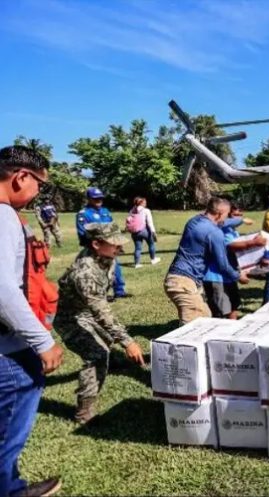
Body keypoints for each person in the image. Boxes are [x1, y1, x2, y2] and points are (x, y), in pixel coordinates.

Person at [0, 145, 63, 497]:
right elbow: (2, 288)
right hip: (7, 353)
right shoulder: (3, 216)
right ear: (21, 177)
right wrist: (42, 342)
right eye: (41, 184)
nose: (40, 193)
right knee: (7, 433)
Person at [55, 222, 145, 424]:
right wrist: (128, 342)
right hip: (70, 319)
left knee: (104, 340)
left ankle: (112, 361)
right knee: (96, 355)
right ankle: (84, 412)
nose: (120, 248)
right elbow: (101, 312)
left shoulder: (105, 258)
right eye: (115, 244)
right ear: (96, 244)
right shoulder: (85, 273)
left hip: (87, 312)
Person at [164, 197, 249, 325]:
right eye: (226, 215)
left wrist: (240, 220)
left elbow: (224, 223)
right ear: (220, 214)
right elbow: (223, 265)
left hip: (176, 278)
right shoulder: (215, 233)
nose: (226, 219)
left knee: (205, 317)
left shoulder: (194, 221)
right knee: (196, 325)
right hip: (184, 283)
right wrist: (238, 276)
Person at [203, 204, 264, 320]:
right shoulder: (221, 229)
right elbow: (231, 246)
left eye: (240, 215)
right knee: (220, 311)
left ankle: (234, 330)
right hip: (216, 276)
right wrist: (253, 243)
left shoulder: (232, 230)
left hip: (229, 275)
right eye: (235, 215)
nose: (238, 218)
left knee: (233, 305)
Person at [76, 187, 127, 298]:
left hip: (110, 246)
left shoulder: (105, 212)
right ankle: (100, 294)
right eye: (95, 198)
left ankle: (119, 291)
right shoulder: (83, 214)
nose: (99, 200)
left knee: (115, 267)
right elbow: (83, 233)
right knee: (97, 270)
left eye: (100, 198)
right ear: (89, 199)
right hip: (95, 248)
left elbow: (113, 228)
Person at [126, 196, 161, 269]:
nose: (146, 203)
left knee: (138, 248)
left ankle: (137, 264)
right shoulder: (146, 210)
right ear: (141, 203)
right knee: (151, 244)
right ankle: (153, 259)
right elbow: (149, 222)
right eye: (144, 202)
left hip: (135, 232)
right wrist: (153, 232)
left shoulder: (132, 210)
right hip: (144, 230)